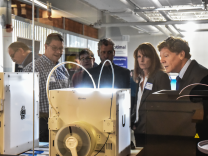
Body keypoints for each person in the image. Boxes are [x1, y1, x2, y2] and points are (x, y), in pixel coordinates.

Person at [158, 36, 208, 156]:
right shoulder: (186, 75)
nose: (162, 60)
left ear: (181, 54)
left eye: (166, 55)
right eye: (161, 56)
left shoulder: (201, 77)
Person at [23, 33, 69, 142]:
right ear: (46, 46)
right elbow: (24, 101)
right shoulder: (33, 68)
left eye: (61, 48)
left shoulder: (62, 69)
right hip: (41, 124)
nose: (58, 52)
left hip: (62, 121)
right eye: (54, 48)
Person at [131, 42, 171, 147]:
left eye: (145, 56)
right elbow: (138, 102)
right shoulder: (139, 78)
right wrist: (134, 120)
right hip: (139, 129)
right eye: (139, 56)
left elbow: (165, 107)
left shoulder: (161, 76)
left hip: (154, 131)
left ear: (153, 58)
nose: (141, 60)